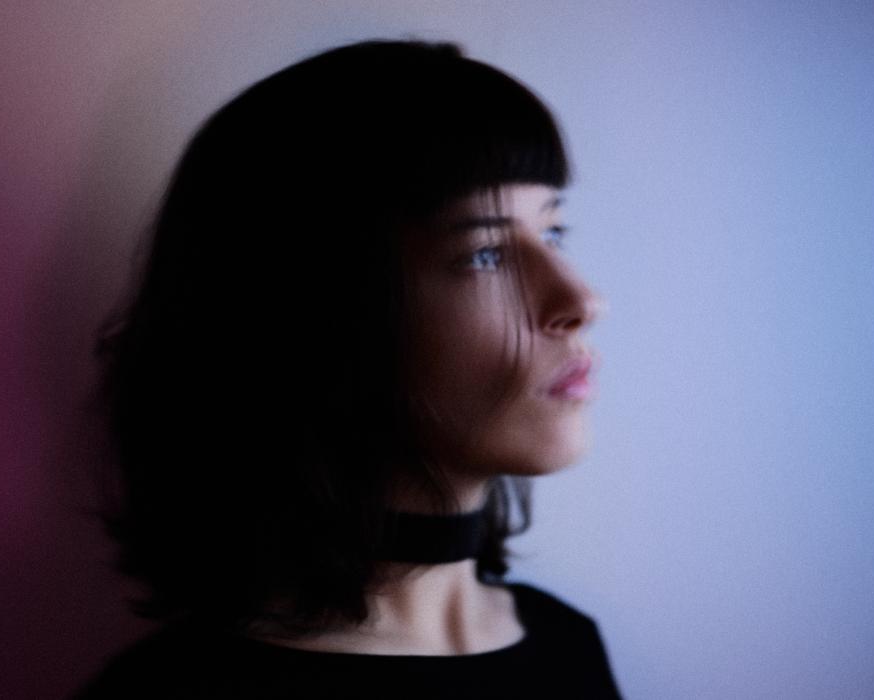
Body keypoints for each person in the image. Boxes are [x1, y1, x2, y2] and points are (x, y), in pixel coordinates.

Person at [79, 39, 620, 699]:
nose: (583, 301)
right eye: (485, 253)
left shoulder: (568, 645)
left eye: (554, 232)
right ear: (321, 314)